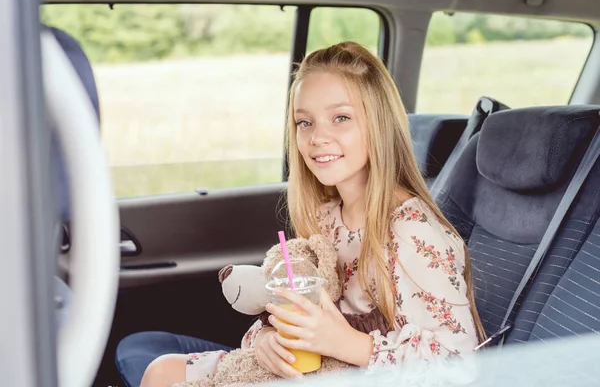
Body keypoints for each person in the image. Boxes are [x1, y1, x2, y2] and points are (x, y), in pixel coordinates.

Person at [136, 41, 485, 387]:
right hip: (315, 368)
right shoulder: (327, 218)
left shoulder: (410, 229)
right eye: (305, 122)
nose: (318, 137)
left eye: (341, 118)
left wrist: (348, 344)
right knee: (161, 370)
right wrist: (264, 341)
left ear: (378, 125)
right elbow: (297, 307)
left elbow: (458, 364)